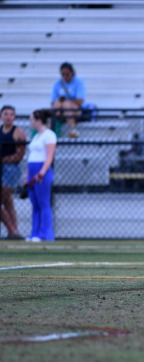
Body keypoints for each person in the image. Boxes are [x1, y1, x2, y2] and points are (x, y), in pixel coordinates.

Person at [26, 109, 57, 242]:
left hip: (41, 171)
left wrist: (42, 172)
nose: (30, 122)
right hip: (32, 170)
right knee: (35, 204)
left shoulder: (49, 135)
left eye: (32, 119)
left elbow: (49, 156)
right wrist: (28, 174)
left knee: (44, 203)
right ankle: (35, 233)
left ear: (39, 120)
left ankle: (45, 234)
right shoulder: (36, 135)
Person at [1, 105, 27, 239]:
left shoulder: (18, 132)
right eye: (6, 114)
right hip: (1, 168)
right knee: (8, 202)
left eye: (11, 114)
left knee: (5, 198)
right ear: (1, 116)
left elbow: (20, 154)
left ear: (14, 117)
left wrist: (6, 159)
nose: (8, 117)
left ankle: (12, 230)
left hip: (10, 169)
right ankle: (14, 231)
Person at [51, 62, 85, 139]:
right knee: (58, 103)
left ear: (72, 73)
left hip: (75, 110)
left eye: (67, 74)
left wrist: (66, 101)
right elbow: (53, 102)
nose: (65, 77)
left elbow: (80, 101)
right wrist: (61, 102)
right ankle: (53, 129)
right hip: (60, 110)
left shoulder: (79, 82)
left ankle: (73, 129)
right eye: (63, 75)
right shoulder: (58, 84)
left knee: (66, 104)